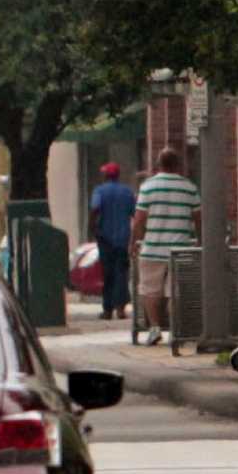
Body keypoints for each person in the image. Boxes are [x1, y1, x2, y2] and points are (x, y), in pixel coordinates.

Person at [129, 147, 199, 350]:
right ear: (178, 165)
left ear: (158, 164)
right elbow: (198, 218)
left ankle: (155, 328)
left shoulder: (148, 187)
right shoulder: (189, 187)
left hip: (153, 248)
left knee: (150, 290)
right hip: (181, 249)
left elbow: (139, 219)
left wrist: (134, 242)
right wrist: (200, 240)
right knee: (174, 292)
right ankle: (176, 332)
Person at [88, 162, 136, 321]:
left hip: (105, 238)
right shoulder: (127, 192)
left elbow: (95, 209)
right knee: (121, 273)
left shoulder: (99, 191)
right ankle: (121, 308)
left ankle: (107, 309)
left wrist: (92, 228)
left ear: (105, 175)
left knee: (108, 273)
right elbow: (134, 213)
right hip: (123, 239)